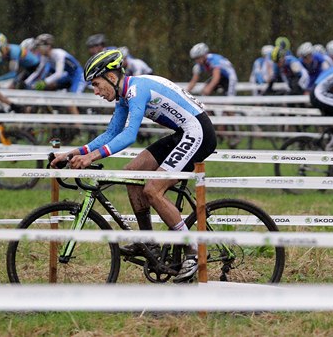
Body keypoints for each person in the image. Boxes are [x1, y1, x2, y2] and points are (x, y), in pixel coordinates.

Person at [51, 49, 217, 283]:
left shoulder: (137, 90)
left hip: (198, 132)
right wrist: (75, 153)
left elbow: (129, 135)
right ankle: (148, 242)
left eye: (97, 85)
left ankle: (194, 249)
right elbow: (111, 133)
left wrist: (92, 158)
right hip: (182, 132)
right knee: (131, 173)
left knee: (152, 190)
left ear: (111, 76)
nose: (96, 92)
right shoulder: (124, 96)